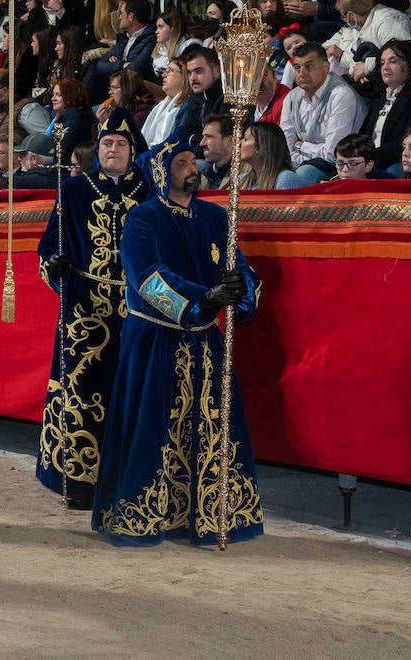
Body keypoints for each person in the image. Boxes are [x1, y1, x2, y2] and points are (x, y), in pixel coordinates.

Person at [94, 134, 263, 546]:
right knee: (154, 429)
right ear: (163, 172)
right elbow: (146, 279)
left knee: (207, 431)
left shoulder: (216, 217)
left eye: (194, 161)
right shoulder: (142, 220)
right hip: (155, 340)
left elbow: (239, 265)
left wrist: (242, 288)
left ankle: (207, 514)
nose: (194, 167)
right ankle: (147, 513)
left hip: (204, 341)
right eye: (183, 162)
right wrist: (203, 298)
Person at [36, 110, 149, 509]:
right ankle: (79, 482)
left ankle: (131, 480)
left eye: (120, 144)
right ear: (96, 148)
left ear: (133, 150)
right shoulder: (74, 190)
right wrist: (56, 269)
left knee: (133, 393)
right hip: (85, 309)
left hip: (139, 311)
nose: (112, 150)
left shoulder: (149, 190)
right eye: (106, 143)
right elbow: (49, 247)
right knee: (82, 392)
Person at [280, 41, 365, 184]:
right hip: (301, 162)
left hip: (340, 167)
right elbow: (284, 149)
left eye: (309, 66)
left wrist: (300, 146)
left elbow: (332, 154)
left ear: (326, 67)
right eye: (297, 68)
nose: (302, 73)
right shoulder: (291, 97)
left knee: (300, 174)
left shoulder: (341, 95)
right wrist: (297, 157)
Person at [357, 40, 411, 171]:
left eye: (393, 61)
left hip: (395, 161)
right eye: (382, 63)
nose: (385, 67)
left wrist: (368, 158)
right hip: (370, 160)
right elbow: (364, 134)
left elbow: (404, 141)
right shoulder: (379, 97)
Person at [240, 121, 306, 189]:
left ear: (260, 147)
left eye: (245, 139)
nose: (239, 143)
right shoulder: (243, 179)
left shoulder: (286, 179)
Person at [143, 57, 191, 145]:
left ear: (184, 75)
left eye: (170, 70)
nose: (164, 75)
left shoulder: (188, 106)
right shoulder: (159, 105)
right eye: (165, 70)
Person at [196, 114, 235, 189]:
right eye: (203, 137)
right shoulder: (205, 177)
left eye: (209, 137)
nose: (202, 143)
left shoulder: (243, 175)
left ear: (229, 141)